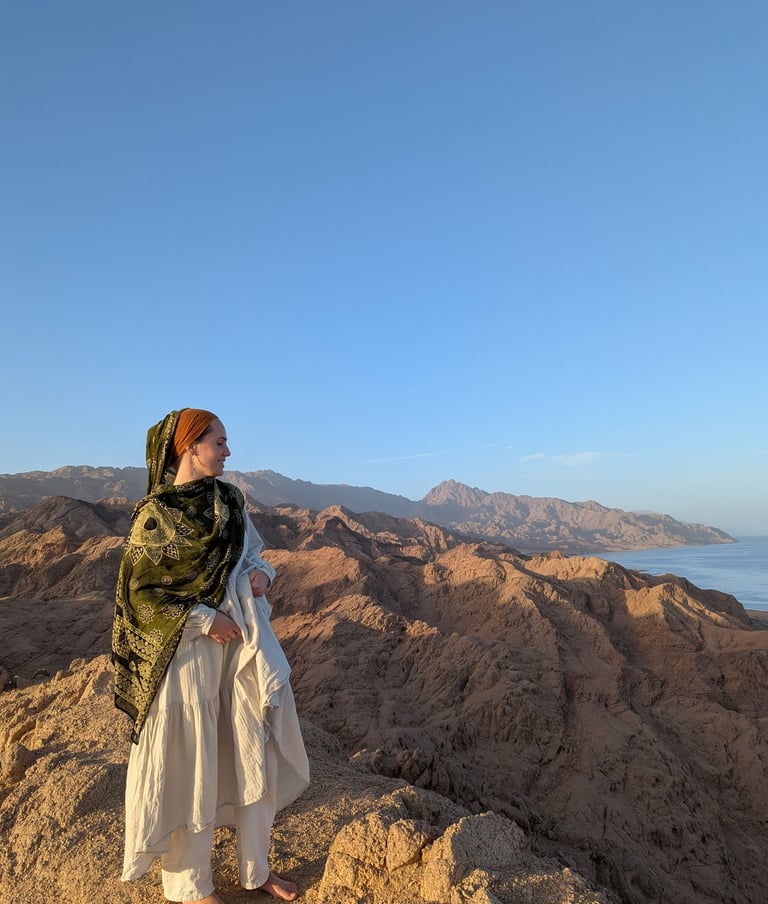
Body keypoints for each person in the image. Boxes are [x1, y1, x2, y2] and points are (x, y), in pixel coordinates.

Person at [112, 408, 309, 904]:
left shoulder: (230, 501)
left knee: (252, 751)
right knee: (192, 761)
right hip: (187, 659)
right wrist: (204, 619)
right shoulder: (156, 517)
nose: (227, 451)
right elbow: (142, 595)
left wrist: (264, 575)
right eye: (219, 442)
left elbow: (252, 555)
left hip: (241, 650)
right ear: (189, 447)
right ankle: (191, 886)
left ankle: (256, 868)